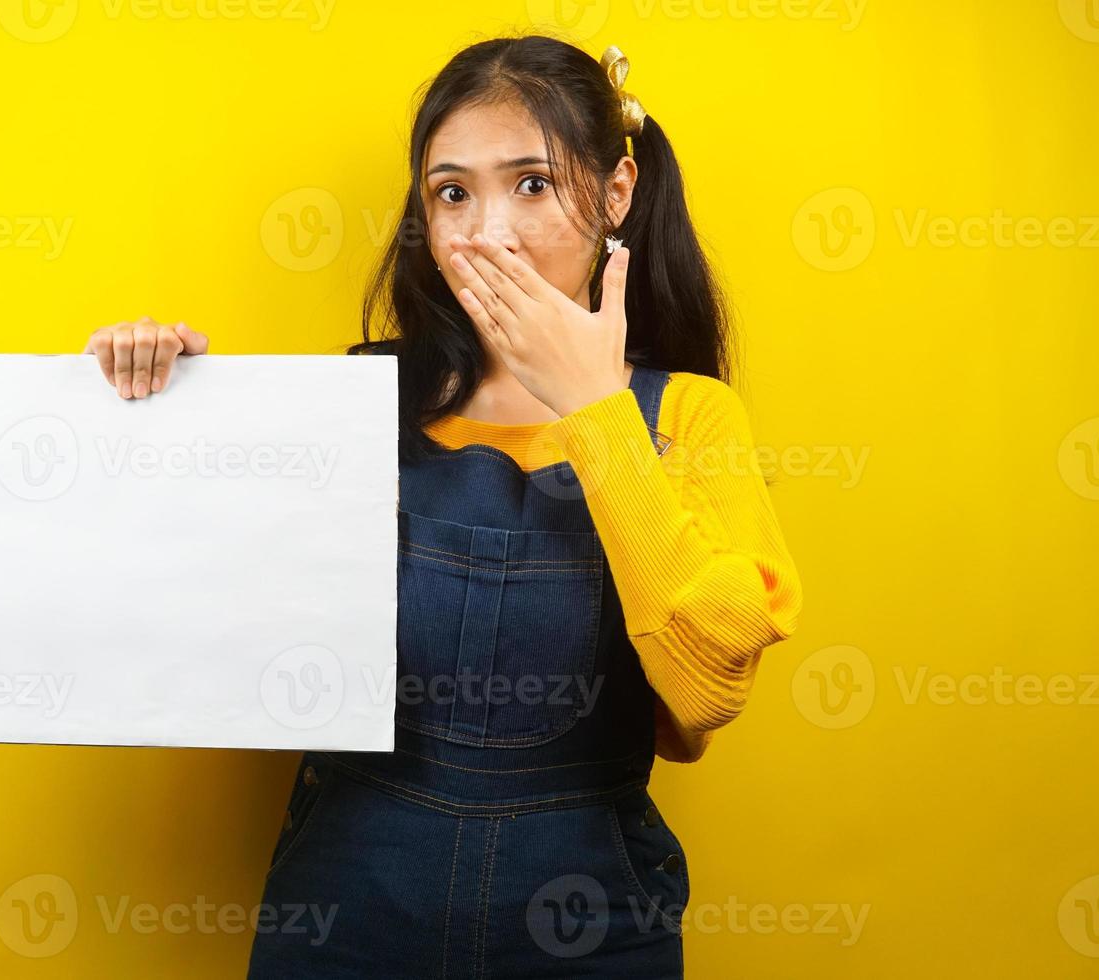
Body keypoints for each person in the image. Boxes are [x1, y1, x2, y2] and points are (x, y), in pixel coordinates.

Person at [82, 34, 803, 980]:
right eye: (452, 192)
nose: (486, 232)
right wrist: (157, 411)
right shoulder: (353, 403)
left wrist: (596, 412)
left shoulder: (688, 419)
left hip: (587, 921)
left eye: (533, 184)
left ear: (617, 194)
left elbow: (705, 688)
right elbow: (200, 624)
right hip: (348, 905)